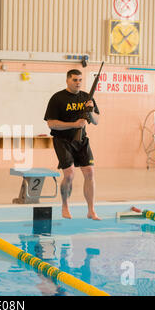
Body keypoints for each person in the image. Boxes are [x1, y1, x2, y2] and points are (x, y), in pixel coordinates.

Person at [44, 69, 101, 220]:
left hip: (81, 140)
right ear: (67, 80)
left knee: (90, 172)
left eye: (80, 80)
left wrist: (90, 111)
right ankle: (65, 206)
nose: (78, 83)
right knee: (69, 174)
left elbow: (96, 121)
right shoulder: (58, 98)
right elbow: (51, 124)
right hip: (62, 140)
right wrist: (74, 124)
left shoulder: (87, 98)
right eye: (75, 80)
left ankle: (91, 210)